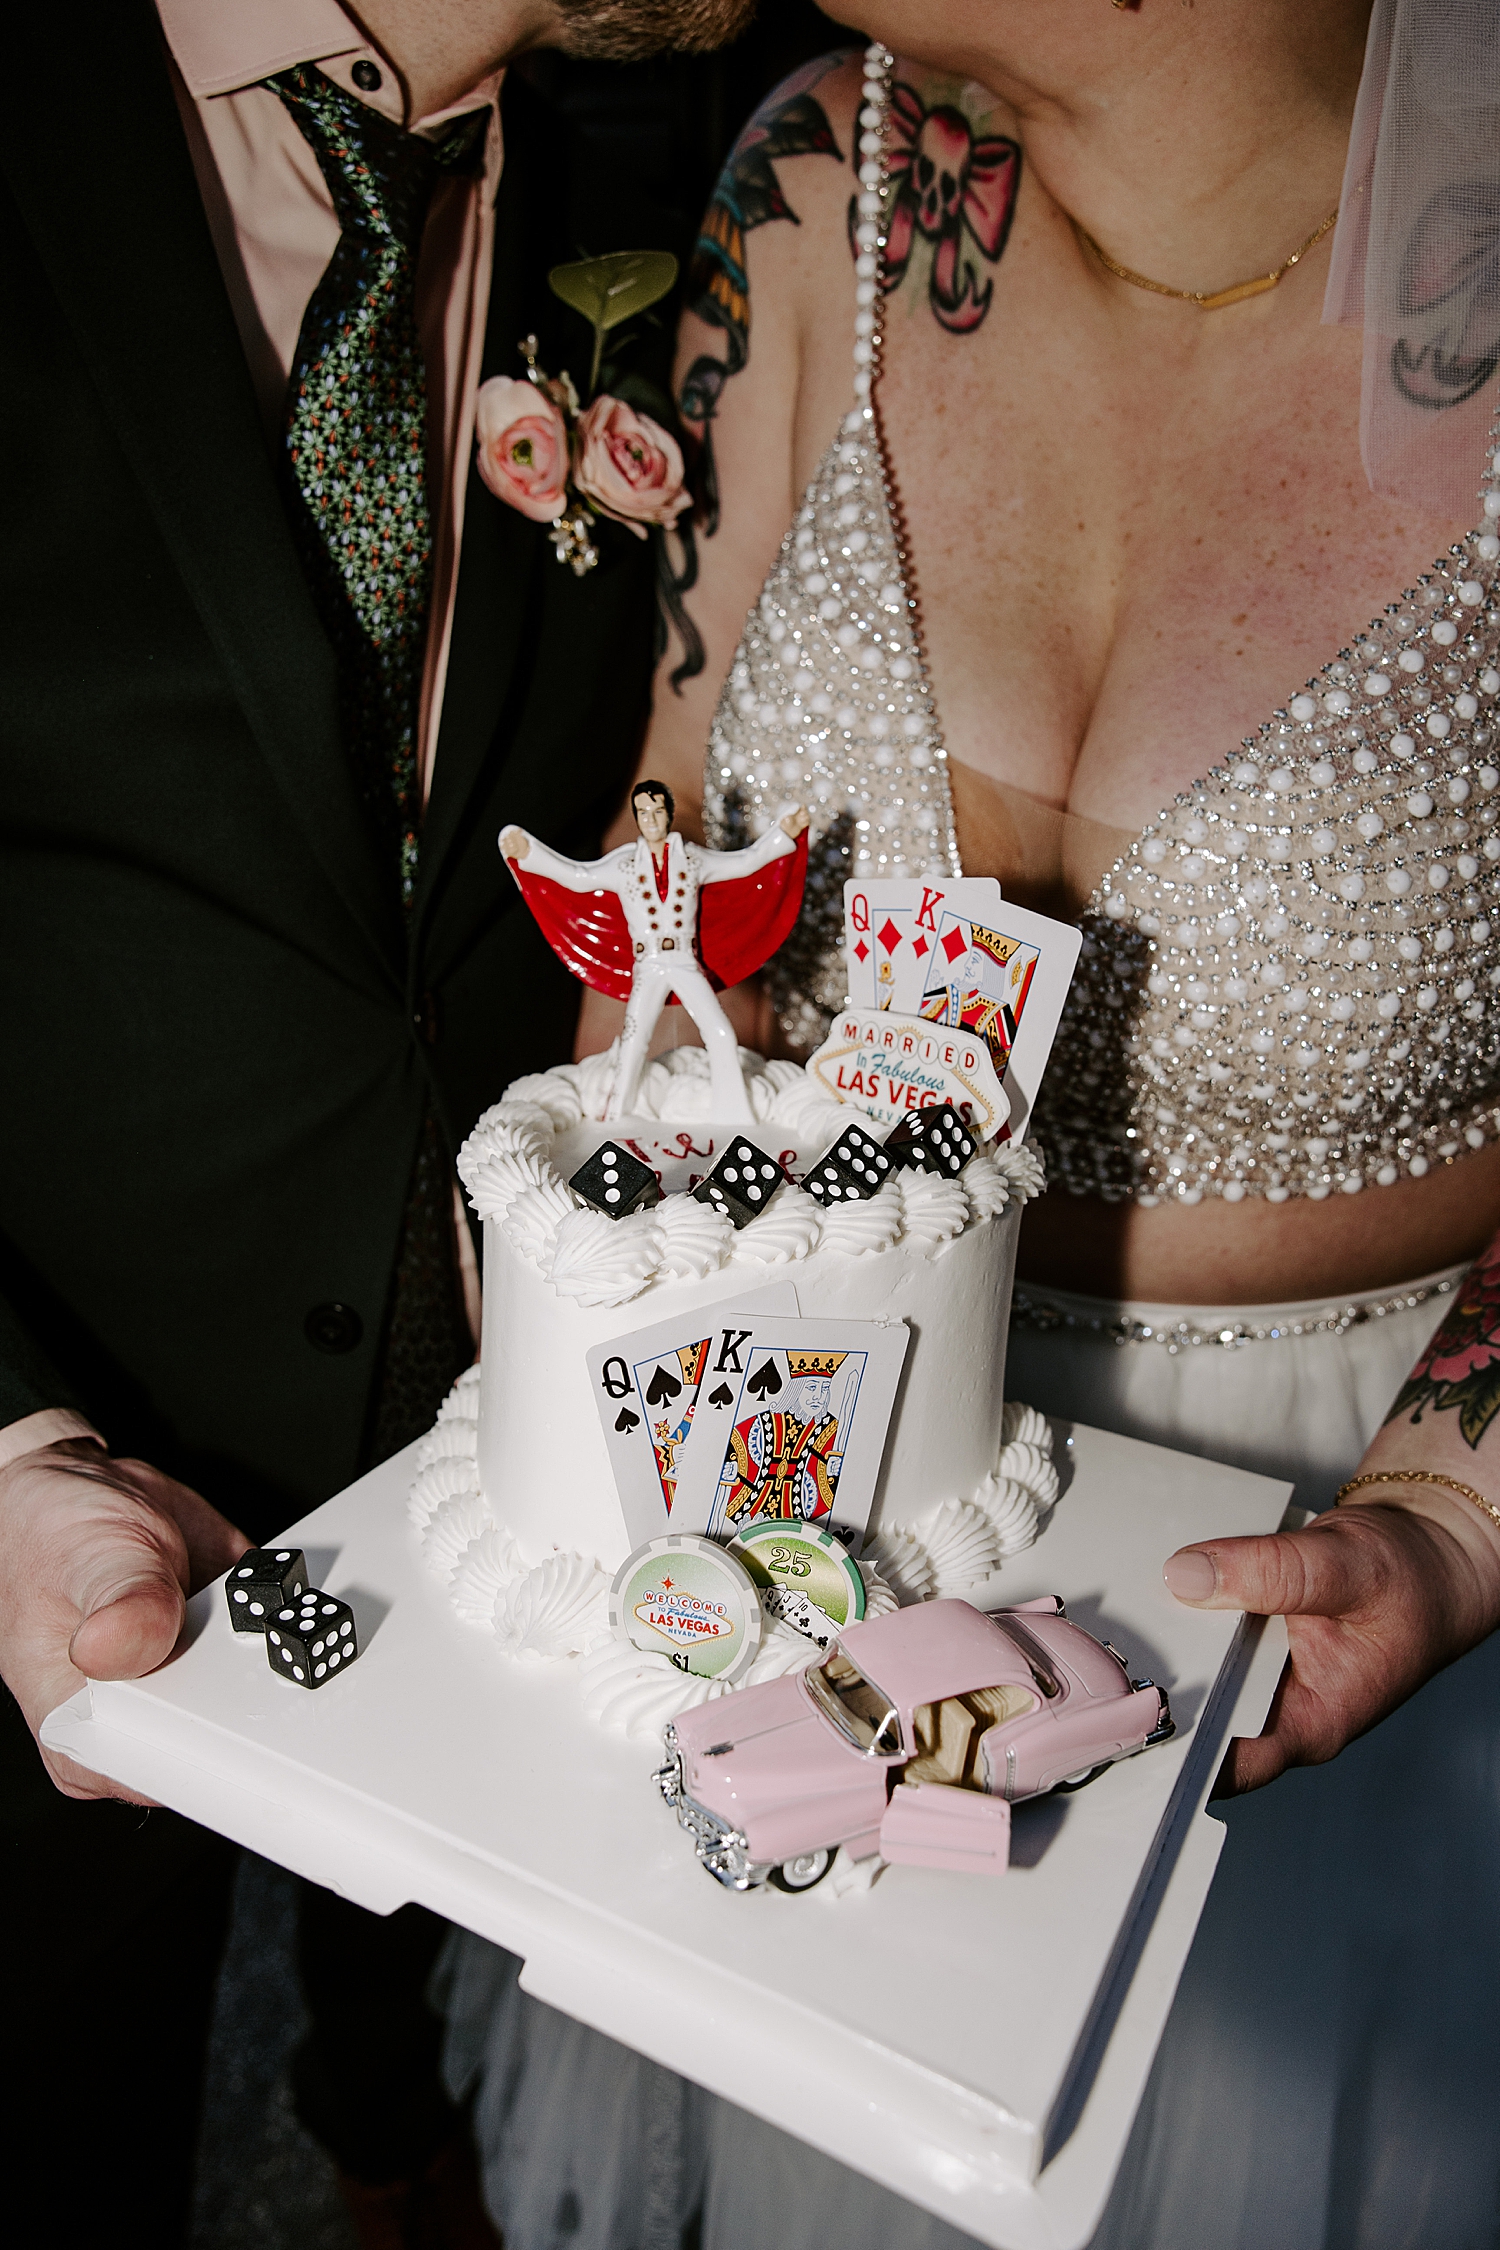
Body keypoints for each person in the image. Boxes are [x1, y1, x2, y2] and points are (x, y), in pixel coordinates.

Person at [441, 3, 1500, 2245]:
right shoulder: (816, 179)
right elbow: (668, 855)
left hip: (1339, 1542)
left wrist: (1450, 1525)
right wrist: (601, 1293)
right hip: (798, 1462)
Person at [0, 0, 760, 2242]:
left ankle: (371, 2086)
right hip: (53, 1469)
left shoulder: (691, 182)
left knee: (394, 1946)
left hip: (469, 1444)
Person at [502, 780, 809, 1116]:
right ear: (636, 817)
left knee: (720, 1032)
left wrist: (784, 835)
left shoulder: (692, 858)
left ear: (669, 814)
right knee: (634, 1042)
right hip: (648, 965)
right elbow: (577, 876)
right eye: (643, 812)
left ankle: (734, 1114)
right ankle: (617, 1116)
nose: (651, 819)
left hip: (685, 962)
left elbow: (745, 863)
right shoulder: (624, 864)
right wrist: (529, 853)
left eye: (658, 811)